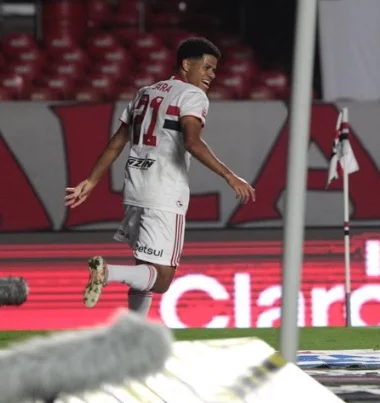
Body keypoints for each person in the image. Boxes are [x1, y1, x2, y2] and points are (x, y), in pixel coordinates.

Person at [64, 37, 256, 316]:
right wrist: (230, 176)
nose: (211, 75)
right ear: (186, 64)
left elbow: (118, 141)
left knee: (145, 269)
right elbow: (192, 141)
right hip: (164, 192)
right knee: (163, 279)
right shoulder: (192, 96)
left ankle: (133, 338)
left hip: (135, 190)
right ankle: (106, 273)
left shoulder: (145, 93)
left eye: (214, 70)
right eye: (206, 68)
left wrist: (92, 180)